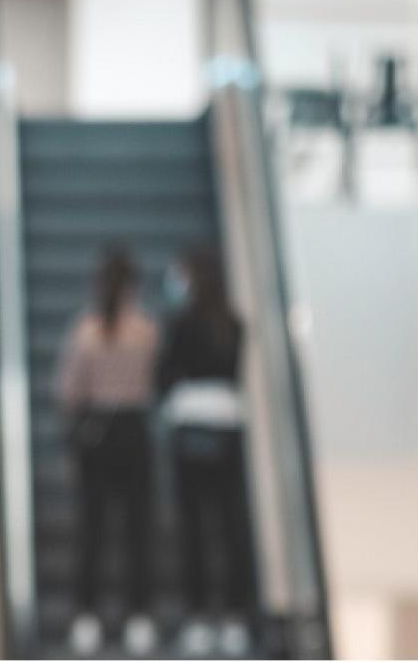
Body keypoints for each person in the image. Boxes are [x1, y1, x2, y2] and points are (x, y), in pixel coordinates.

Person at [56, 247, 161, 657]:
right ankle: (138, 617)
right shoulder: (146, 331)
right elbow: (157, 380)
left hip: (96, 432)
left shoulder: (86, 331)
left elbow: (68, 392)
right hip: (134, 430)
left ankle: (86, 617)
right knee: (137, 529)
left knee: (92, 529)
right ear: (134, 286)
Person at [156, 248, 258, 657]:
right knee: (231, 526)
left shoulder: (181, 323)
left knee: (195, 527)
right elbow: (234, 375)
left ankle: (199, 617)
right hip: (228, 428)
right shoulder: (233, 323)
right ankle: (235, 617)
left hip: (190, 428)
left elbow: (165, 374)